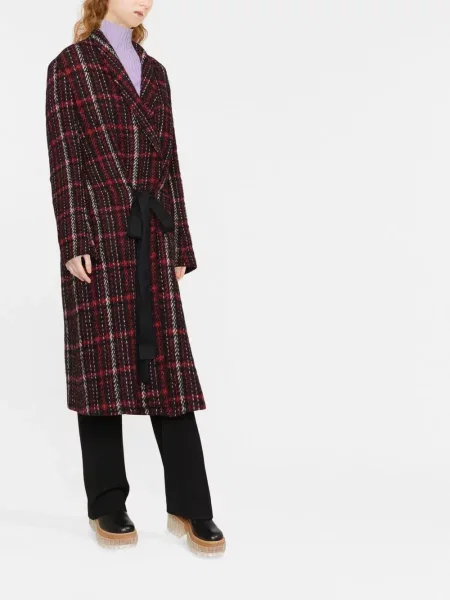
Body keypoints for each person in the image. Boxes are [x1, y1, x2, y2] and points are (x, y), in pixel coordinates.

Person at [45, 0, 225, 557]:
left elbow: (170, 163)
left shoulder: (158, 74)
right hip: (99, 232)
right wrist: (74, 240)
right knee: (101, 374)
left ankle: (190, 505)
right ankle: (107, 502)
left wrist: (181, 243)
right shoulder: (70, 65)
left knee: (170, 371)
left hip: (154, 231)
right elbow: (65, 159)